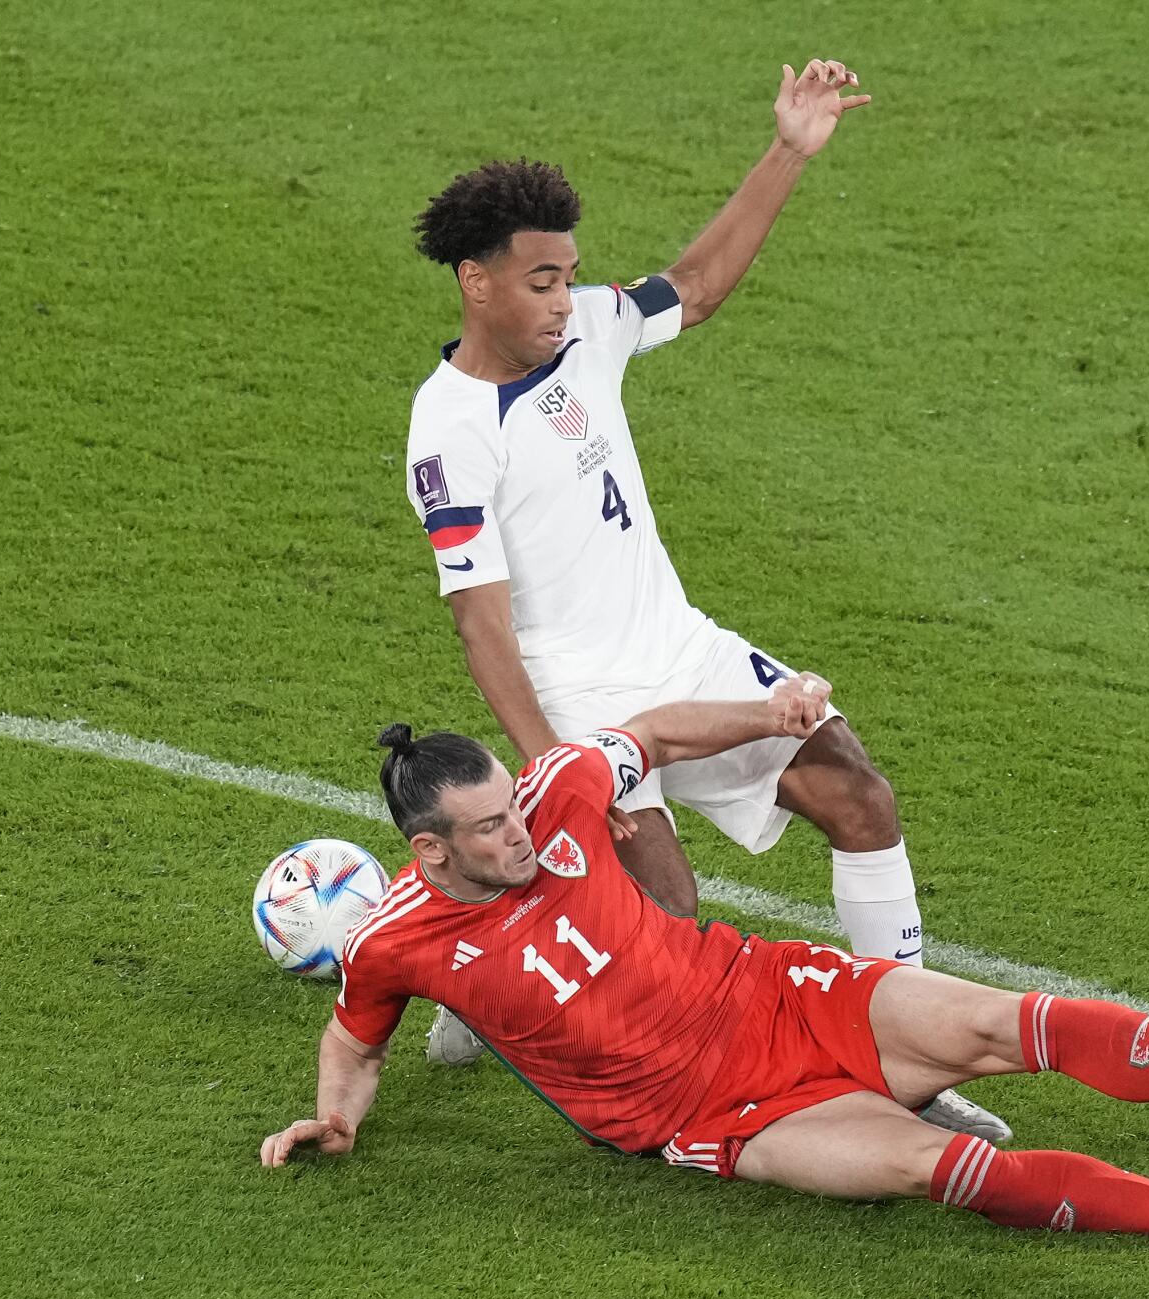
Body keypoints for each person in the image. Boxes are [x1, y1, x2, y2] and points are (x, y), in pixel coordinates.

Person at [401, 59, 1003, 1138]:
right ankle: (490, 988)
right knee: (663, 914)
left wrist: (787, 150)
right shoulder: (448, 428)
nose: (562, 298)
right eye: (539, 280)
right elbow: (477, 618)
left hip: (680, 651)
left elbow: (697, 285)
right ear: (475, 281)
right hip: (582, 699)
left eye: (568, 274)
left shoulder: (587, 328)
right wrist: (553, 760)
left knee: (860, 796)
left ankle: (909, 1070)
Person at [258, 680, 1149, 1264]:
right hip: (713, 1112)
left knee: (1000, 1021)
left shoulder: (558, 792)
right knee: (934, 1168)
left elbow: (650, 732)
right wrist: (335, 1118)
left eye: (512, 808)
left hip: (766, 990)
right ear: (429, 850)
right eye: (490, 831)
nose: (520, 833)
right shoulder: (397, 939)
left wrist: (771, 711)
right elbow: (353, 1038)